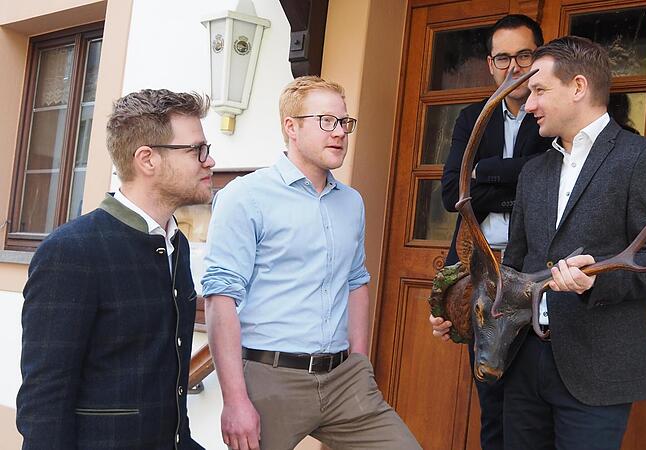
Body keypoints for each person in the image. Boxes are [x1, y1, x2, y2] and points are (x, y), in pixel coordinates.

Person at [202, 76, 420, 450]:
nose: (339, 133)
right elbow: (220, 298)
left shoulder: (351, 202)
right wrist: (235, 400)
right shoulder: (245, 197)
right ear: (292, 127)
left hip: (343, 381)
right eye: (326, 121)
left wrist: (360, 362)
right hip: (270, 379)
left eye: (344, 123)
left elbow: (356, 282)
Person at [502, 36, 646, 449]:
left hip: (598, 369)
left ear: (578, 87)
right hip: (524, 362)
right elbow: (514, 266)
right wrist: (463, 311)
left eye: (539, 90)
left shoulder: (644, 159)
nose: (529, 105)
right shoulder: (534, 171)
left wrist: (595, 282)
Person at [16, 89, 213, 449]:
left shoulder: (176, 245)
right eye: (196, 150)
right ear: (147, 159)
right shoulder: (71, 251)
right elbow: (44, 399)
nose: (209, 161)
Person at [429, 13, 551, 450]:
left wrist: (484, 171)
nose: (514, 67)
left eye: (525, 55)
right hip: (479, 273)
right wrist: (508, 182)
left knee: (534, 405)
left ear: (542, 56)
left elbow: (543, 183)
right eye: (504, 58)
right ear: (490, 64)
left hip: (533, 272)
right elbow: (451, 195)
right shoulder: (471, 118)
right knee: (492, 399)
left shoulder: (550, 116)